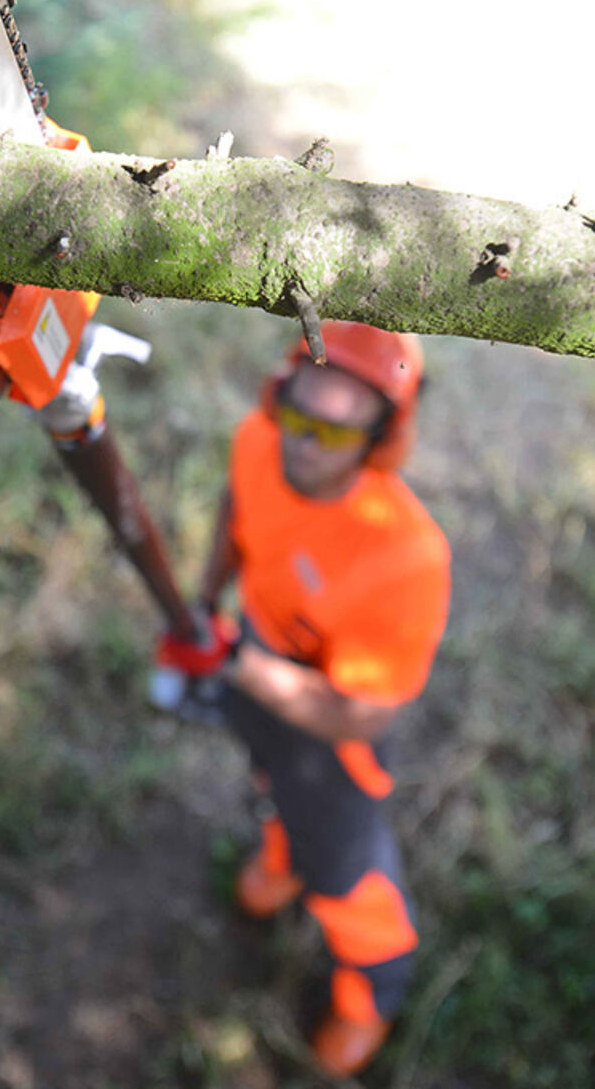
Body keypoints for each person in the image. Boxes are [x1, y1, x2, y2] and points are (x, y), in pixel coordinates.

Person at [191, 321, 451, 1077]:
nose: (302, 442)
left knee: (347, 872)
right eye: (297, 414)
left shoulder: (407, 556)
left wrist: (236, 662)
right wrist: (206, 603)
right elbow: (234, 513)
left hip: (337, 736)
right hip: (255, 657)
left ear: (381, 438)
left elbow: (363, 713)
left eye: (334, 431)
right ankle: (282, 859)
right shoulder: (258, 439)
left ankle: (370, 996)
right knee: (268, 778)